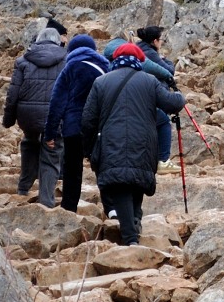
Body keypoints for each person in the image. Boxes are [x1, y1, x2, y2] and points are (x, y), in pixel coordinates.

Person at [80, 43, 186, 245]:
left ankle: (130, 236)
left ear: (115, 59)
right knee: (137, 180)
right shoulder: (149, 81)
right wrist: (180, 96)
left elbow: (88, 120)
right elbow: (172, 104)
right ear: (139, 60)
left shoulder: (101, 82)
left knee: (120, 184)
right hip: (143, 142)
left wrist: (89, 148)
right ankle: (133, 229)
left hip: (112, 141)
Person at [44, 34, 109, 212]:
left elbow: (57, 102)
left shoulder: (70, 67)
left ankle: (69, 209)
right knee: (103, 168)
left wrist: (50, 133)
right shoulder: (105, 68)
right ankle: (112, 209)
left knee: (72, 169)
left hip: (74, 127)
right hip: (99, 128)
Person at [2, 25, 67, 204]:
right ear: (58, 42)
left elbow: (13, 94)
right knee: (52, 154)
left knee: (29, 142)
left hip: (28, 116)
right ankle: (46, 201)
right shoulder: (66, 60)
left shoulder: (23, 61)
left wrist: (8, 119)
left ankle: (23, 189)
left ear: (38, 41)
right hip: (54, 116)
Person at [135, 25, 181, 174]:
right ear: (154, 41)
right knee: (163, 121)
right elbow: (169, 71)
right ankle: (163, 160)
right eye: (161, 40)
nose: (162, 42)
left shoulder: (140, 49)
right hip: (151, 97)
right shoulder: (150, 53)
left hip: (139, 98)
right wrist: (166, 60)